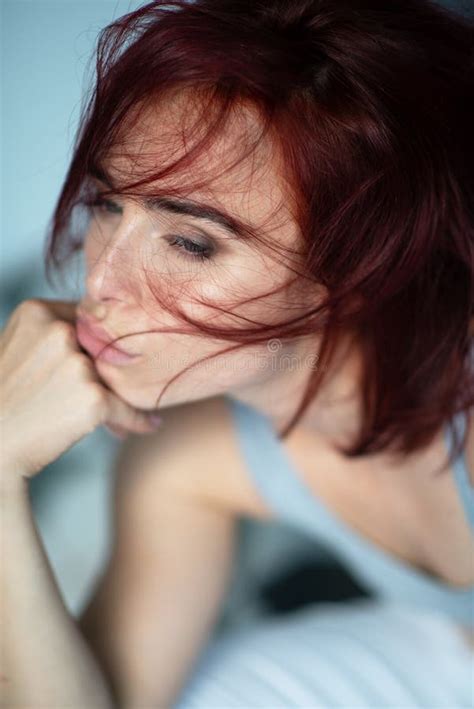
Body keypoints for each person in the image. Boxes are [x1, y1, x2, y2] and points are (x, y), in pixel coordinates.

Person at [2, 0, 473, 707]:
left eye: (191, 243)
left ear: (359, 269)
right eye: (107, 206)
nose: (98, 279)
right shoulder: (191, 456)